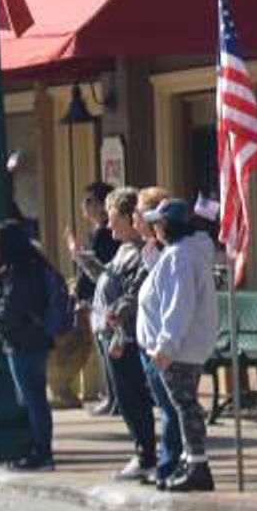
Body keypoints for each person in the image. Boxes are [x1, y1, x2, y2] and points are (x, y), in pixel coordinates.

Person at [136, 198, 219, 492]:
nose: (154, 228)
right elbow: (166, 290)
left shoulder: (180, 257)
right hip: (184, 346)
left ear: (167, 226)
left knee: (185, 406)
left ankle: (198, 465)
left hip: (180, 349)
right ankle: (189, 460)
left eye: (158, 223)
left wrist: (166, 346)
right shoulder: (181, 254)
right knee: (182, 405)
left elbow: (178, 304)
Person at [91, 187, 158, 482]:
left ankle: (147, 455)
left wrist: (117, 316)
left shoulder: (143, 252)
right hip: (111, 332)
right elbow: (107, 279)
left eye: (113, 218)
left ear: (131, 218)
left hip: (127, 335)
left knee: (134, 397)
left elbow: (134, 293)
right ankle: (143, 451)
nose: (109, 225)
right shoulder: (123, 250)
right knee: (124, 397)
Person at [0, 220, 56, 470]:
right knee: (35, 398)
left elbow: (11, 312)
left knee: (33, 400)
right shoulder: (33, 266)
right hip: (35, 340)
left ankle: (41, 452)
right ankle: (38, 449)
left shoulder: (15, 273)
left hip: (23, 343)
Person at [67, 181, 117, 413]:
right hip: (96, 300)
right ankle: (111, 395)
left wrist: (78, 255)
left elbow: (97, 271)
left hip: (105, 301)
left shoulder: (105, 234)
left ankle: (114, 397)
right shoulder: (97, 233)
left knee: (108, 349)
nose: (84, 206)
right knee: (102, 349)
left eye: (89, 201)